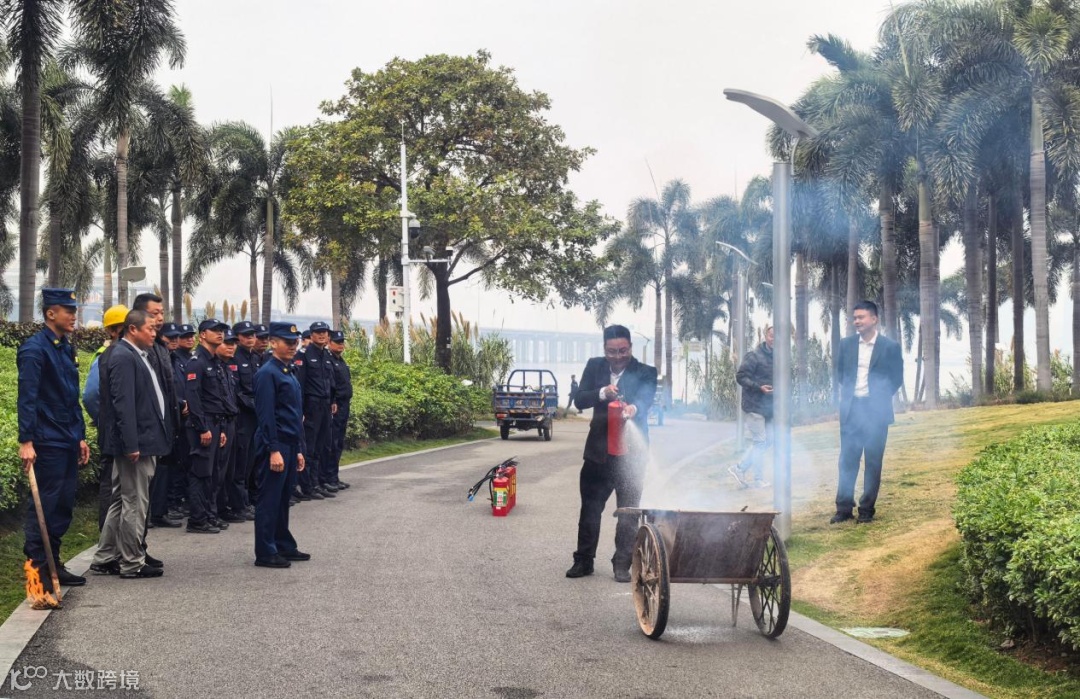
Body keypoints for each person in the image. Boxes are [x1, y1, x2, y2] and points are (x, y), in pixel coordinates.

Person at [566, 325, 656, 583]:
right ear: (604, 349)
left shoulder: (646, 372)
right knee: (590, 510)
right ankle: (583, 560)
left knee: (628, 512)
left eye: (623, 351)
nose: (618, 356)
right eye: (612, 351)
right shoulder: (594, 366)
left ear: (630, 347)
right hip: (598, 454)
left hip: (632, 456)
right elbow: (580, 399)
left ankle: (622, 564)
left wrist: (633, 409)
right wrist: (602, 393)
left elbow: (646, 400)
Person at [17, 288, 92, 590]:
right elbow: (27, 398)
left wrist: (80, 437)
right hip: (46, 441)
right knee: (44, 508)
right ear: (51, 313)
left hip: (66, 439)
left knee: (62, 507)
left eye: (74, 310)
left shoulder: (64, 348)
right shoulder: (35, 350)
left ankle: (54, 564)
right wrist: (26, 441)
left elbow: (71, 398)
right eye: (68, 311)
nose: (74, 316)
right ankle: (37, 577)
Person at [91, 310, 170, 579]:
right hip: (136, 444)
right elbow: (122, 404)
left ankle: (105, 556)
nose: (154, 333)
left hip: (140, 440)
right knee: (134, 502)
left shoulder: (134, 354)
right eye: (150, 328)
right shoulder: (124, 356)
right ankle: (132, 562)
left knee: (120, 500)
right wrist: (131, 444)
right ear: (133, 329)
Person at [831, 301, 904, 524]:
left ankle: (866, 510)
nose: (857, 321)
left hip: (876, 413)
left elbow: (896, 378)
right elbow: (840, 373)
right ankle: (844, 508)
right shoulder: (846, 345)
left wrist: (879, 398)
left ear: (874, 319)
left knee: (873, 462)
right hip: (851, 411)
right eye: (855, 318)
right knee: (847, 461)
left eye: (861, 317)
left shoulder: (890, 347)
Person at [252, 322, 310, 568]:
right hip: (274, 444)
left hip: (289, 443)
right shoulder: (268, 373)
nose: (293, 346)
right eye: (288, 342)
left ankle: (283, 544)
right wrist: (273, 449)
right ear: (273, 343)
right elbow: (266, 416)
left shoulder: (288, 371)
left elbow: (293, 415)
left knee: (283, 498)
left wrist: (298, 449)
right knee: (269, 498)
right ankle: (265, 551)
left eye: (295, 342)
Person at [183, 319, 232, 533]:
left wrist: (220, 429)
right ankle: (197, 520)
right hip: (202, 424)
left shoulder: (215, 361)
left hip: (216, 423)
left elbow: (218, 397)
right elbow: (193, 398)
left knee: (212, 473)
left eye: (222, 331)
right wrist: (202, 428)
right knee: (200, 472)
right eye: (215, 331)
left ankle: (209, 515)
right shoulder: (197, 362)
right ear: (203, 334)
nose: (220, 334)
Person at [82, 304, 128, 531]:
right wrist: (104, 420)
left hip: (125, 430)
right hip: (112, 431)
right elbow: (90, 396)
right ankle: (107, 539)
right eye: (123, 327)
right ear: (112, 330)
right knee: (111, 484)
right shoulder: (105, 355)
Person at [294, 321, 336, 500]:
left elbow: (330, 381)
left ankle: (316, 482)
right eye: (318, 332)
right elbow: (300, 384)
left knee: (320, 446)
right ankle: (307, 486)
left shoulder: (326, 354)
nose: (322, 335)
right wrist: (301, 410)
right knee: (309, 448)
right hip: (311, 407)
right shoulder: (303, 355)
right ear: (311, 335)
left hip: (325, 406)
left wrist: (333, 401)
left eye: (324, 332)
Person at [730, 326, 774, 489]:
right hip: (754, 406)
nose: (774, 339)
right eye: (771, 335)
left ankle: (740, 468)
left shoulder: (779, 357)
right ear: (765, 336)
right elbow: (740, 376)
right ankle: (756, 478)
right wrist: (758, 387)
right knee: (760, 442)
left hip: (768, 408)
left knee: (769, 440)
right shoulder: (754, 355)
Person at [228, 321, 259, 519]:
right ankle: (238, 505)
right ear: (238, 338)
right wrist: (254, 405)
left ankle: (247, 500)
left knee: (251, 461)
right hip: (242, 416)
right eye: (246, 335)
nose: (250, 338)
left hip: (255, 416)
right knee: (240, 462)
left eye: (252, 335)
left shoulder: (255, 357)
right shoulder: (234, 359)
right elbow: (236, 391)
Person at [214, 329, 244, 524]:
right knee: (217, 471)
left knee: (229, 469)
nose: (231, 346)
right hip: (219, 422)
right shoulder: (212, 366)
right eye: (227, 343)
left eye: (233, 343)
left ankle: (224, 508)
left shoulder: (226, 367)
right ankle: (213, 511)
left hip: (232, 421)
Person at [325, 330, 352, 491]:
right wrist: (333, 401)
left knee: (339, 442)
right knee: (332, 443)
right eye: (337, 342)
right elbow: (330, 384)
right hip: (336, 406)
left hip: (344, 405)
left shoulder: (341, 360)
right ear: (329, 343)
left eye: (342, 342)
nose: (341, 345)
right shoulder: (328, 360)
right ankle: (328, 477)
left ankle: (334, 477)